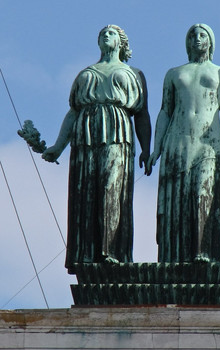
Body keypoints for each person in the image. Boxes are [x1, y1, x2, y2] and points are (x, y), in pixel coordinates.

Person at [42, 25, 151, 274]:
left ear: (122, 42)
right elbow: (73, 112)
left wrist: (147, 149)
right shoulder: (86, 73)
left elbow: (142, 114)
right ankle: (87, 253)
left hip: (118, 132)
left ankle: (112, 251)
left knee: (111, 189)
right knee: (86, 192)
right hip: (85, 134)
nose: (105, 36)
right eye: (102, 33)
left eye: (111, 33)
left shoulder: (133, 73)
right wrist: (58, 146)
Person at [147, 23, 220, 263]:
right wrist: (155, 150)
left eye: (202, 35)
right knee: (178, 199)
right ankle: (174, 254)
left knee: (203, 195)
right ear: (187, 43)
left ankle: (204, 251)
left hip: (210, 144)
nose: (197, 39)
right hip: (177, 142)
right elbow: (165, 111)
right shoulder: (174, 73)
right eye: (192, 36)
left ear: (210, 41)